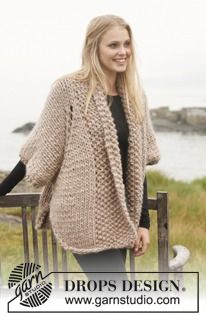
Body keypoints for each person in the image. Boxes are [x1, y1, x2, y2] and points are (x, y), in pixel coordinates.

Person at [0, 15, 160, 282]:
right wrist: (2, 189)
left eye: (127, 44)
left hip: (122, 217)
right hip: (82, 216)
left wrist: (143, 222)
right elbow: (40, 147)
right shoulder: (69, 89)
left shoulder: (134, 96)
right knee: (117, 292)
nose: (123, 52)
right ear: (94, 47)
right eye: (113, 45)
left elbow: (136, 165)